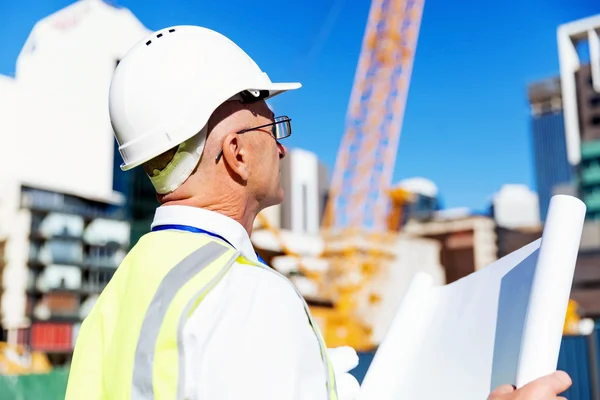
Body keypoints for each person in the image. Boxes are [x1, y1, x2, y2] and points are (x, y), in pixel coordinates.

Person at [64, 25, 572, 400]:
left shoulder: (109, 310)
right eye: (273, 128)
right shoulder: (244, 296)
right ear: (238, 153)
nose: (282, 150)